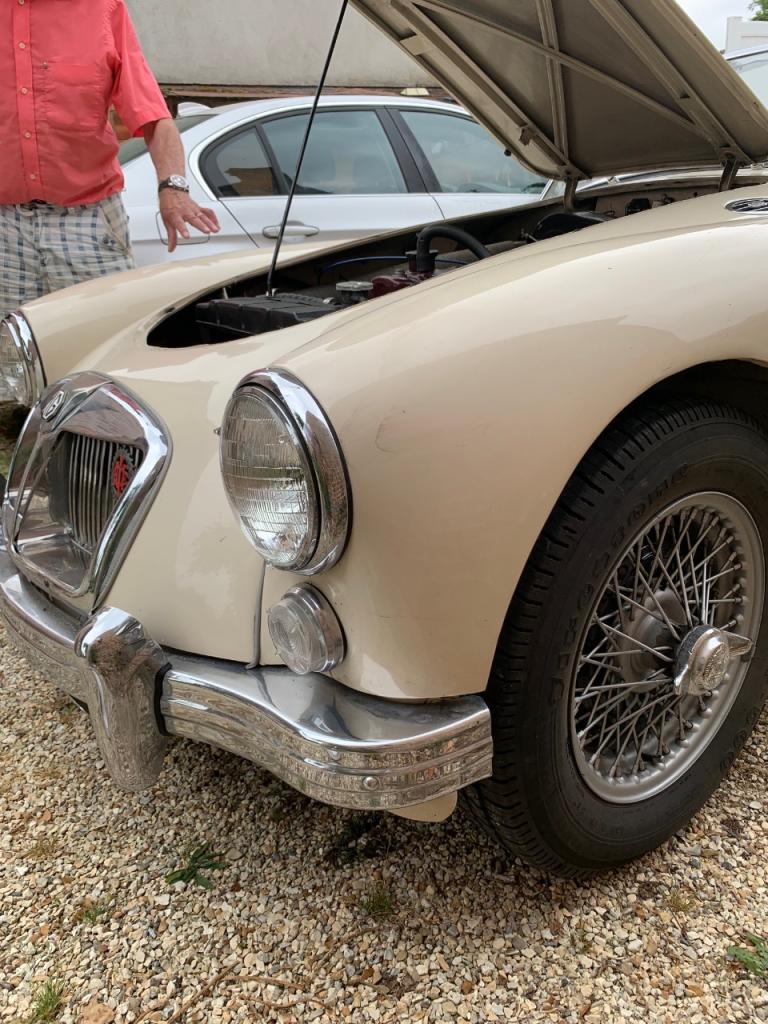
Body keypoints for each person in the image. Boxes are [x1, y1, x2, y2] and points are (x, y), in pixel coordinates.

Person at [0, 0, 220, 316]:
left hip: (87, 221)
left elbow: (152, 116)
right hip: (4, 226)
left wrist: (173, 188)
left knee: (104, 335)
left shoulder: (102, 9)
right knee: (11, 345)